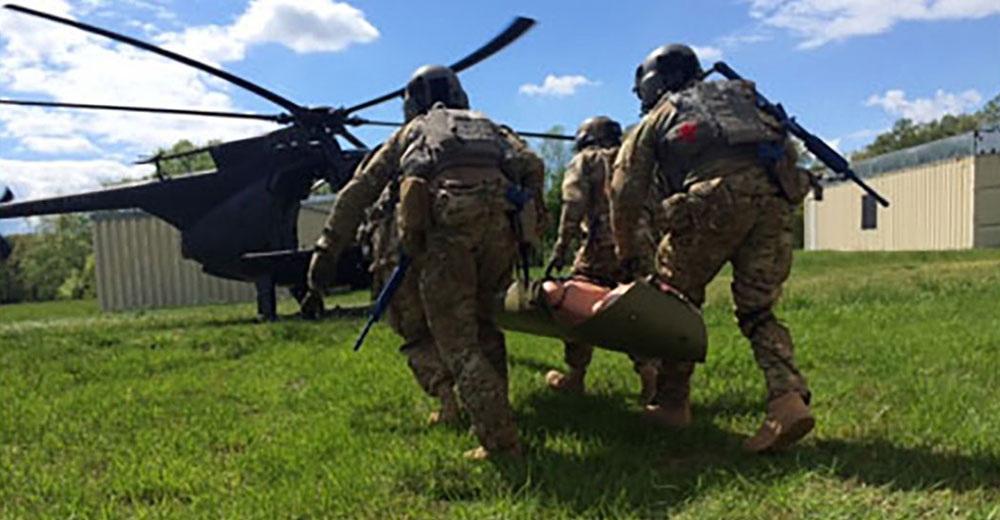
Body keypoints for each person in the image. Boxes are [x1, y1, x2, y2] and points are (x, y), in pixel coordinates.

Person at [302, 65, 546, 460]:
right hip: (500, 233)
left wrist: (326, 251)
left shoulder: (413, 131)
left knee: (458, 343)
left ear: (410, 103)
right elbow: (533, 166)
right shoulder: (490, 127)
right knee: (486, 328)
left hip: (446, 236)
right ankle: (497, 415)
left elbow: (358, 193)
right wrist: (531, 221)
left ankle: (501, 445)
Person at [609, 44, 816, 452]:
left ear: (654, 83)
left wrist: (624, 246)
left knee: (672, 303)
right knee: (758, 311)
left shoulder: (662, 114)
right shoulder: (746, 101)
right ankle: (787, 401)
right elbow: (787, 155)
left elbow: (624, 188)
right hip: (774, 202)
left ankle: (672, 405)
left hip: (712, 202)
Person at [544, 116, 658, 403]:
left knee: (575, 306)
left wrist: (561, 246)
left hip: (600, 248)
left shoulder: (587, 160)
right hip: (642, 247)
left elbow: (573, 203)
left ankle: (576, 376)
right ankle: (649, 376)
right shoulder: (637, 159)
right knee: (636, 312)